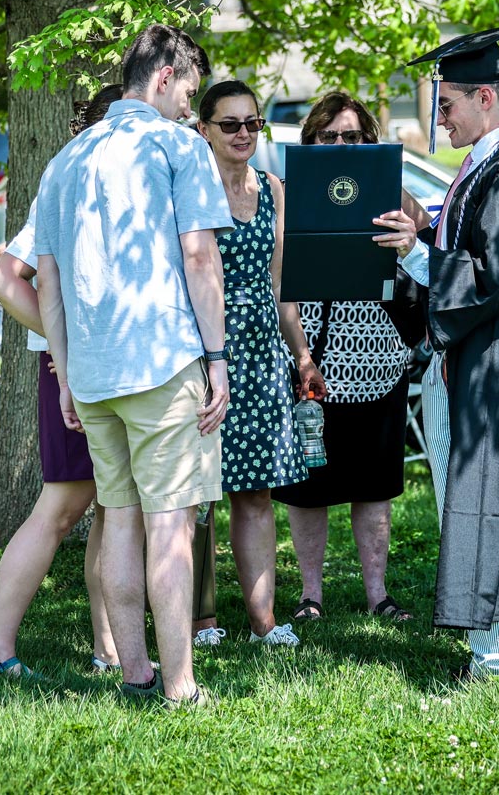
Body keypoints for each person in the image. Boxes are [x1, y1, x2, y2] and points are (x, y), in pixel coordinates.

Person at [34, 24, 231, 706]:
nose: (189, 107)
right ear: (165, 76)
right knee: (170, 523)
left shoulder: (67, 158)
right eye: (189, 92)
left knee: (119, 521)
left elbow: (48, 280)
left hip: (91, 373)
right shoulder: (179, 146)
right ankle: (179, 687)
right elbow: (201, 257)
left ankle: (134, 675)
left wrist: (63, 370)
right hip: (163, 360)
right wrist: (219, 359)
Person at [373, 24, 499, 680]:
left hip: (490, 362)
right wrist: (426, 229)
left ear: (485, 97)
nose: (439, 118)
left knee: (478, 501)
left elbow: (495, 276)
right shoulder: (491, 164)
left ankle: (494, 657)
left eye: (445, 104)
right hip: (486, 361)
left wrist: (418, 253)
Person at [0, 84, 123, 679]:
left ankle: (109, 648)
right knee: (61, 508)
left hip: (102, 367)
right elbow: (5, 281)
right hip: (76, 369)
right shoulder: (69, 185)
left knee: (113, 508)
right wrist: (70, 347)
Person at [271, 91, 418, 624]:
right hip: (309, 358)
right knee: (309, 487)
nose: (339, 144)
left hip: (379, 359)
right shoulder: (289, 194)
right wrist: (301, 356)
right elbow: (280, 279)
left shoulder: (389, 189)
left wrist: (407, 226)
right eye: (328, 136)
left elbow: (421, 244)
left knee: (372, 485)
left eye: (351, 136)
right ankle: (311, 596)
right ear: (310, 139)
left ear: (367, 141)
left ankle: (378, 594)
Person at [196, 79, 326, 647]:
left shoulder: (273, 188)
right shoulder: (190, 188)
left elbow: (282, 288)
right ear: (204, 130)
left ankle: (262, 622)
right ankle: (199, 620)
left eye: (253, 123)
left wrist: (300, 353)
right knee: (194, 493)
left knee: (254, 492)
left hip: (261, 354)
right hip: (202, 351)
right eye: (230, 124)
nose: (244, 133)